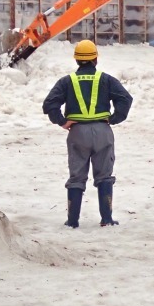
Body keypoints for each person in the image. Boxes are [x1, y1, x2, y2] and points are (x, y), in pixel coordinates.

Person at [42, 40, 133, 228]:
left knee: (76, 176)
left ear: (76, 60)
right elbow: (125, 98)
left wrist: (61, 121)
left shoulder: (67, 81)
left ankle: (73, 221)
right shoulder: (106, 79)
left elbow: (49, 103)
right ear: (95, 59)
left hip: (77, 133)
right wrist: (115, 118)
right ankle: (106, 219)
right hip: (102, 131)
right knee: (104, 176)